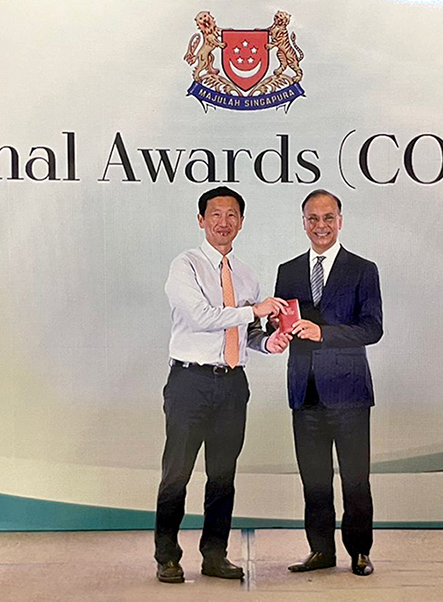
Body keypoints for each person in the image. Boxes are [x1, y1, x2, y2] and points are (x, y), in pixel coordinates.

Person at [155, 186, 290, 584]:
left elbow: (246, 332)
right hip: (190, 382)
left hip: (232, 385)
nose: (223, 222)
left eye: (232, 215)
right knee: (177, 473)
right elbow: (202, 316)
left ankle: (215, 555)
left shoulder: (245, 274)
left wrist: (268, 341)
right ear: (201, 220)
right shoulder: (185, 266)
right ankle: (167, 557)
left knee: (222, 476)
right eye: (215, 214)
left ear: (241, 223)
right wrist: (254, 310)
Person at [272, 189, 383, 576]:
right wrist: (275, 330)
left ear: (340, 221)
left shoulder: (363, 269)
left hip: (349, 394)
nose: (321, 226)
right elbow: (283, 321)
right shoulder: (287, 271)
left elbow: (372, 329)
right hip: (304, 392)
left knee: (356, 479)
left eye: (328, 218)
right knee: (314, 480)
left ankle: (360, 551)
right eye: (313, 219)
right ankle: (321, 550)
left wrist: (324, 333)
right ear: (304, 223)